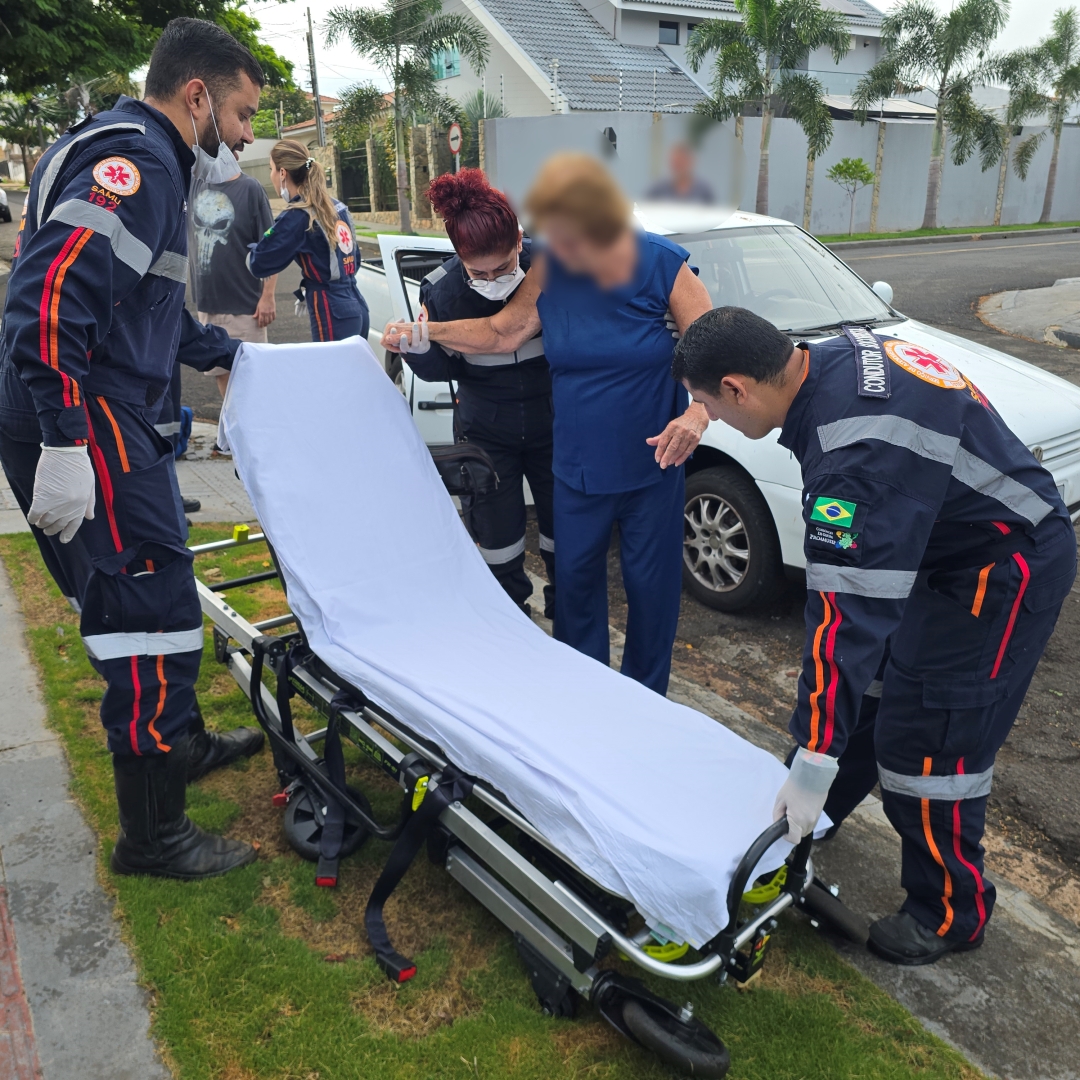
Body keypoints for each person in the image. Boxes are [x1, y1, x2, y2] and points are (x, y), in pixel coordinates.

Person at [672, 306, 1077, 965]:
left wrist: (810, 760)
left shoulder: (853, 454)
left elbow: (843, 624)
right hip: (945, 546)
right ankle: (816, 814)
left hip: (1000, 570)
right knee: (880, 688)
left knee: (927, 745)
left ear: (739, 388)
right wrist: (814, 759)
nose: (712, 418)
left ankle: (950, 913)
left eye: (708, 405)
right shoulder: (833, 360)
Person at [0, 18, 270, 881]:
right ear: (196, 95)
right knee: (147, 616)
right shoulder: (141, 164)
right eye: (239, 114)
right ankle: (153, 836)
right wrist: (65, 441)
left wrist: (224, 354)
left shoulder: (108, 145)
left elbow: (140, 305)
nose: (245, 138)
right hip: (90, 418)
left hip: (97, 412)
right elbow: (46, 304)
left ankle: (178, 745)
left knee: (158, 592)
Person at [385, 154, 713, 695]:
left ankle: (647, 699)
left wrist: (697, 414)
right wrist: (425, 333)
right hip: (577, 466)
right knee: (576, 586)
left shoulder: (663, 265)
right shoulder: (553, 267)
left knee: (651, 590)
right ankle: (583, 696)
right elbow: (501, 332)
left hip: (654, 463)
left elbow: (714, 352)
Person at [397, 169, 555, 615]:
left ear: (520, 240)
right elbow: (440, 371)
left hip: (555, 427)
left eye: (503, 268)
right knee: (497, 548)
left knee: (568, 541)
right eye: (477, 272)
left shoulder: (552, 268)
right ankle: (510, 632)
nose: (491, 279)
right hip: (487, 435)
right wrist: (420, 352)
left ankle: (569, 636)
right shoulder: (442, 291)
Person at [247, 139, 369, 343]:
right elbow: (354, 259)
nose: (271, 176)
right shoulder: (337, 207)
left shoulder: (299, 215)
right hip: (356, 304)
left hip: (332, 310)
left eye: (271, 169)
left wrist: (251, 245)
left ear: (283, 173)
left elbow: (260, 262)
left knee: (328, 373)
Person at [191, 163, 278, 398]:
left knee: (253, 381)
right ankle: (233, 434)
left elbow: (270, 247)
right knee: (225, 383)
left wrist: (268, 296)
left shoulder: (251, 189)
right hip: (209, 306)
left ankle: (257, 434)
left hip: (246, 308)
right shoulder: (194, 184)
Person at [645, 143, 715, 204]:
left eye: (682, 163)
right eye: (676, 163)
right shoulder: (658, 189)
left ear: (690, 162)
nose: (678, 167)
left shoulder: (704, 190)